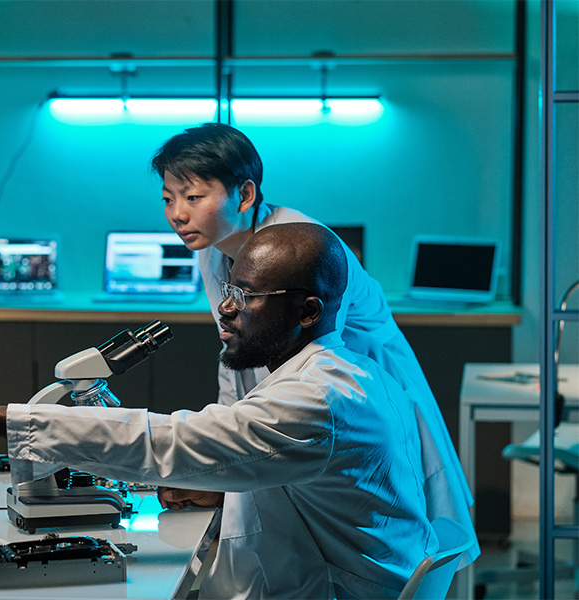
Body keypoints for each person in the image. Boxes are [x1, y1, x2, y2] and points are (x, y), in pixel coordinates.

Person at [0, 223, 436, 599]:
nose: (225, 308)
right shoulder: (341, 370)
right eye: (229, 288)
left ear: (308, 311)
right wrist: (231, 488)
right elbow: (297, 470)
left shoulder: (320, 398)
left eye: (247, 297)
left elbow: (165, 441)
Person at [151, 123, 478, 564]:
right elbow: (236, 353)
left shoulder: (300, 244)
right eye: (169, 198)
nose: (177, 214)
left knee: (387, 541)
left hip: (361, 389)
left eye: (193, 197)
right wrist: (218, 459)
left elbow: (311, 367)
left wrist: (224, 468)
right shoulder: (215, 251)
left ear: (244, 195)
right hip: (312, 403)